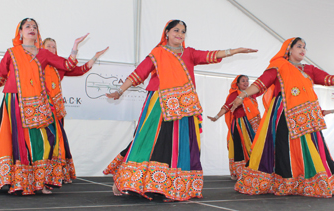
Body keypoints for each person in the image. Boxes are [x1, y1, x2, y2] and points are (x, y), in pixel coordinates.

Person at [102, 20, 257, 201]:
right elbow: (139, 73)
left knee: (176, 146)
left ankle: (168, 186)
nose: (180, 34)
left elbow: (211, 55)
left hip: (183, 107)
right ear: (166, 32)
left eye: (183, 31)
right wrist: (120, 91)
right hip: (159, 104)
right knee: (148, 141)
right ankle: (127, 179)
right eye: (176, 30)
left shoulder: (189, 53)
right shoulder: (158, 53)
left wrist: (235, 51)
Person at [0, 18, 106, 195]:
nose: (31, 29)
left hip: (37, 103)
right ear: (20, 32)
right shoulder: (12, 52)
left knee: (46, 140)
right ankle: (13, 181)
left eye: (34, 27)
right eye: (27, 26)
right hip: (14, 101)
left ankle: (40, 181)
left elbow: (68, 66)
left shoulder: (43, 53)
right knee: (14, 141)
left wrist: (75, 46)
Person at [230, 37, 334, 197]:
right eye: (299, 46)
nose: (303, 50)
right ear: (288, 49)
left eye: (305, 47)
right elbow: (259, 84)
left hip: (306, 115)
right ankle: (285, 181)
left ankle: (308, 180)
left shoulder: (309, 69)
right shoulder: (278, 66)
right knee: (283, 145)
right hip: (283, 111)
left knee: (312, 147)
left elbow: (330, 79)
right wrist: (242, 95)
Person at [207, 75, 261, 180]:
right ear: (238, 84)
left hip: (253, 124)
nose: (246, 83)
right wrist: (216, 117)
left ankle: (254, 170)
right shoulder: (235, 94)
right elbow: (226, 107)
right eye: (243, 81)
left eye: (247, 81)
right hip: (240, 125)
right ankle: (241, 173)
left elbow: (263, 88)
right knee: (240, 147)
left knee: (255, 145)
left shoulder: (251, 93)